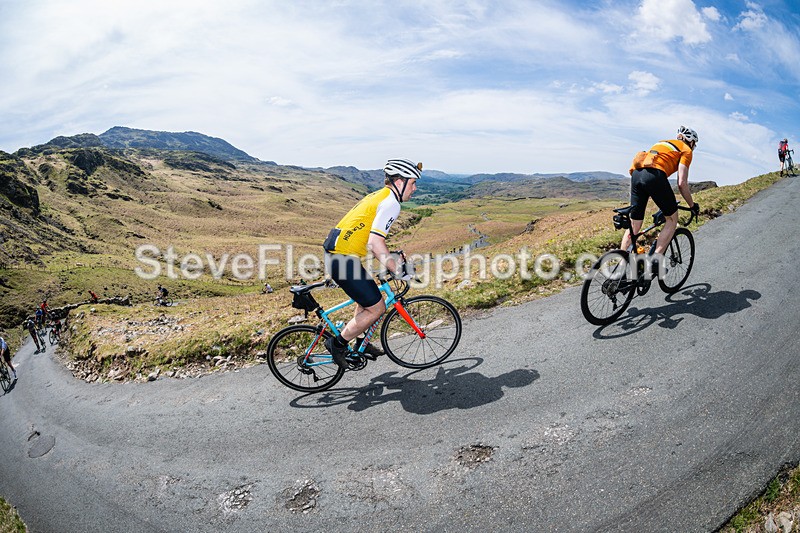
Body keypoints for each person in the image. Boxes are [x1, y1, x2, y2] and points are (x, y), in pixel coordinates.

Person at [322, 158, 421, 367]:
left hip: (339, 255)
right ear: (400, 182)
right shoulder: (391, 202)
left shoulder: (380, 195)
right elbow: (376, 242)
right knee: (377, 308)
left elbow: (369, 238)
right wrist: (399, 272)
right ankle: (337, 344)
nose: (415, 189)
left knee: (366, 300)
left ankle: (361, 343)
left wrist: (391, 258)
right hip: (343, 259)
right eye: (412, 183)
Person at [622, 126, 700, 269]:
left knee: (634, 225)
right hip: (654, 176)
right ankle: (654, 262)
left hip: (637, 175)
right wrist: (692, 206)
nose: (693, 147)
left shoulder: (663, 143)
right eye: (694, 144)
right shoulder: (686, 150)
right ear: (691, 142)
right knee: (671, 219)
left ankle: (621, 268)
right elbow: (682, 183)